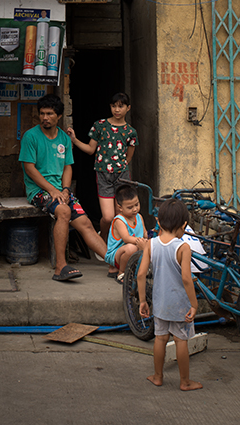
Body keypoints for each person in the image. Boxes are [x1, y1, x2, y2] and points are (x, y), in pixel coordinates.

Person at [19, 93, 108, 281]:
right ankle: (61, 267)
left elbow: (68, 167)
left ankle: (116, 263)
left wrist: (66, 190)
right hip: (39, 191)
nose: (45, 117)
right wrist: (52, 190)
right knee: (64, 212)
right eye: (42, 113)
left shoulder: (64, 139)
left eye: (50, 114)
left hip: (61, 191)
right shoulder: (31, 136)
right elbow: (29, 169)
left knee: (85, 223)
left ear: (58, 116)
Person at [137, 198, 202, 391]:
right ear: (184, 225)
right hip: (180, 304)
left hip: (159, 302)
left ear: (158, 222)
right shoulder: (183, 248)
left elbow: (141, 274)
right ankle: (185, 381)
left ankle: (158, 376)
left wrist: (142, 300)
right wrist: (194, 304)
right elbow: (187, 279)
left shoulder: (151, 244)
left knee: (160, 338)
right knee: (181, 340)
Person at [71, 92, 137, 244]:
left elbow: (129, 157)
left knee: (121, 215)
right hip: (103, 175)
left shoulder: (130, 132)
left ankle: (117, 245)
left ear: (128, 108)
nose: (117, 110)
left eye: (121, 106)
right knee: (108, 217)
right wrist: (74, 140)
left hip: (122, 176)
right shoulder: (100, 125)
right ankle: (103, 240)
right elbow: (90, 149)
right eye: (114, 106)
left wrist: (119, 166)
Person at [105, 183, 149, 283]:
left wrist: (152, 236)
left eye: (137, 204)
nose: (135, 209)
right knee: (131, 247)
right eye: (130, 207)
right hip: (118, 255)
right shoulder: (119, 220)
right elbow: (126, 238)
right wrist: (142, 241)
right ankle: (121, 273)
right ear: (120, 207)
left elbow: (145, 233)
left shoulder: (139, 217)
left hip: (135, 250)